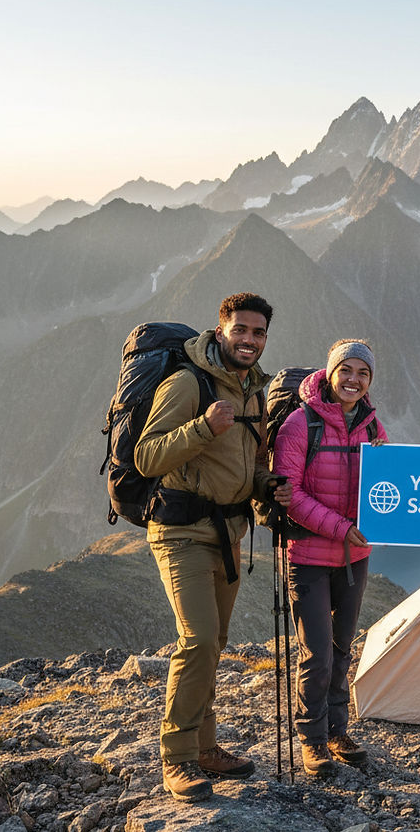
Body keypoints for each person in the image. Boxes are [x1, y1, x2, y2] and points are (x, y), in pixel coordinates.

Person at [135, 292, 291, 802]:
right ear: (220, 330)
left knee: (216, 644)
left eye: (259, 333)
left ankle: (205, 746)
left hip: (229, 534)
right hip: (181, 532)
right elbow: (146, 456)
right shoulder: (188, 383)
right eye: (241, 330)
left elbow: (249, 464)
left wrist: (267, 486)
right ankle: (177, 758)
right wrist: (202, 426)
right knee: (198, 640)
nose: (250, 340)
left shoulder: (253, 392)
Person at [273, 338, 387, 776]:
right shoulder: (300, 425)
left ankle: (337, 729)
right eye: (347, 371)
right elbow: (292, 497)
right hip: (309, 555)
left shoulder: (374, 430)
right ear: (330, 373)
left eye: (363, 373)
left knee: (342, 650)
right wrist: (343, 528)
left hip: (354, 557)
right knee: (316, 653)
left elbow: (389, 491)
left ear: (369, 380)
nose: (353, 380)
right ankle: (313, 739)